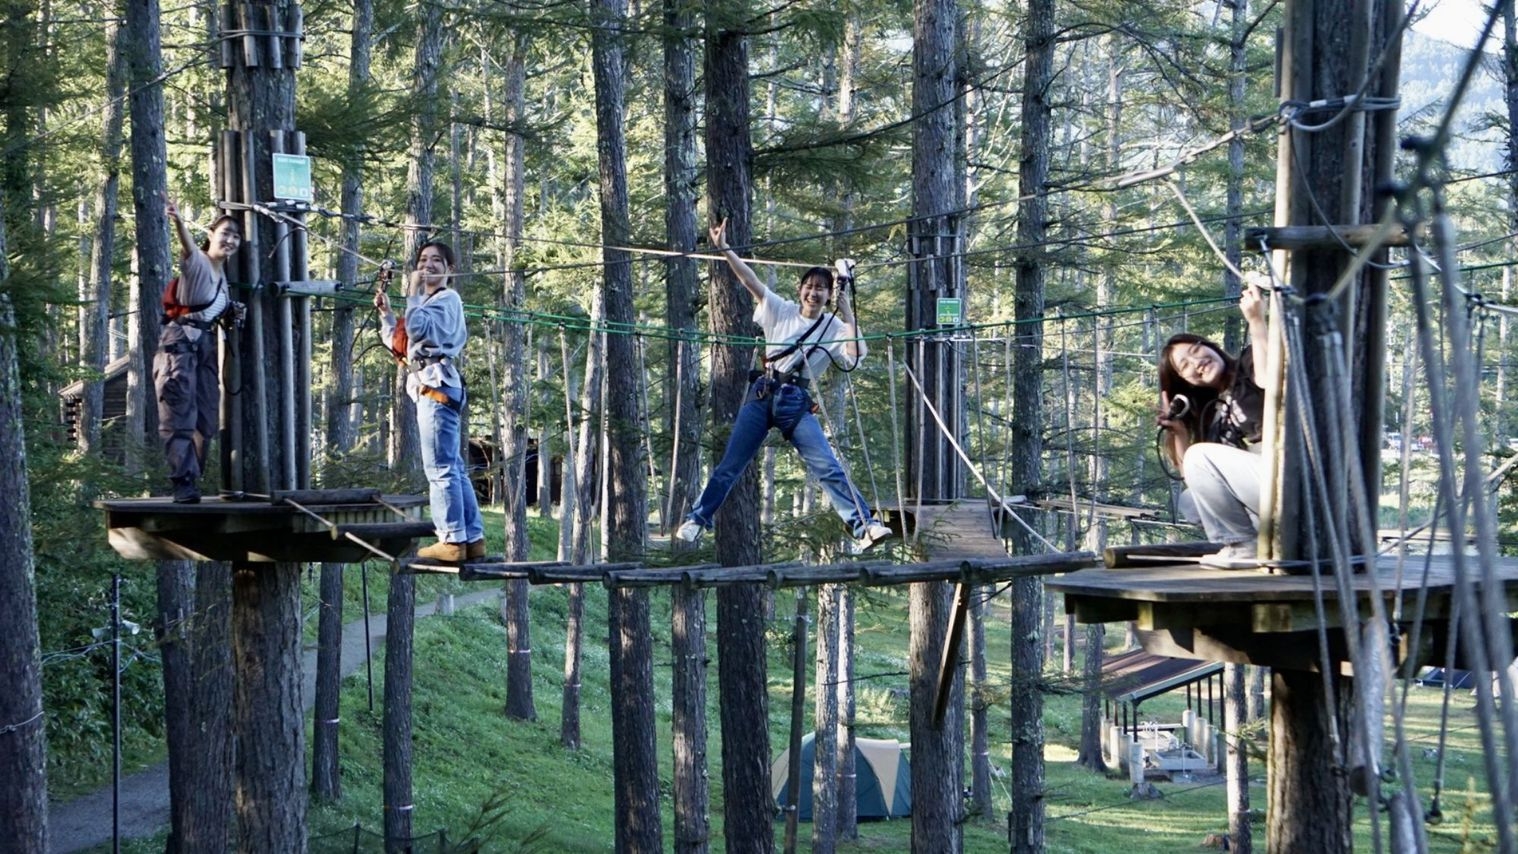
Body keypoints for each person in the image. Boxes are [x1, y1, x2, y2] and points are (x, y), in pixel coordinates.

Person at [676, 219, 893, 550]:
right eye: (810, 285)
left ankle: (865, 527)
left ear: (827, 295)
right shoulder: (781, 310)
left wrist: (849, 315)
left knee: (827, 466)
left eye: (821, 288)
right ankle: (697, 519)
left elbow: (855, 356)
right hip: (763, 393)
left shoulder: (834, 326)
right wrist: (724, 249)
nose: (814, 291)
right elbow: (749, 280)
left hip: (796, 401)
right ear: (801, 289)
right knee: (730, 465)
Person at [375, 241, 485, 563]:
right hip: (434, 383)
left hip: (436, 386)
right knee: (453, 468)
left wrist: (411, 291)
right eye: (424, 260)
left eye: (437, 261)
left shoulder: (447, 298)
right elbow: (402, 344)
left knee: (440, 469)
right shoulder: (427, 301)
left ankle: (451, 539)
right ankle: (472, 538)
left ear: (450, 270)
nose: (428, 265)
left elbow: (419, 327)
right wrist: (387, 315)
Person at [1156, 276, 1272, 569]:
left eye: (1196, 351)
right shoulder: (1213, 413)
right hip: (1261, 491)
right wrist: (1180, 432)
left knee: (1200, 457)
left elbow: (1271, 379)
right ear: (1184, 381)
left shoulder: (1248, 362)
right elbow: (1196, 477)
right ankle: (1253, 540)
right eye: (1185, 365)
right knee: (1190, 500)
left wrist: (1257, 321)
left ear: (1212, 346)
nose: (1196, 362)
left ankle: (1243, 547)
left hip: (1287, 472)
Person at [157, 199, 244, 504]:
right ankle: (183, 484)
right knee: (180, 414)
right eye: (225, 233)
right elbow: (187, 246)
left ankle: (192, 477)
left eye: (236, 236)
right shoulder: (198, 263)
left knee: (206, 417)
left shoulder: (223, 279)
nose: (230, 240)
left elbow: (211, 310)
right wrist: (179, 220)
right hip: (179, 347)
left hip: (204, 346)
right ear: (211, 233)